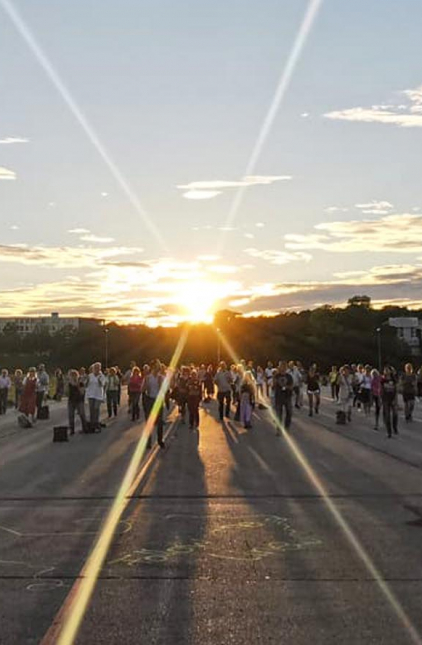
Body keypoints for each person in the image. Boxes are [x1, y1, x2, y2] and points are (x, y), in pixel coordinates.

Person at [142, 359, 165, 448]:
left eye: (158, 367)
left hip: (158, 400)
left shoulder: (161, 377)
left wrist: (160, 384)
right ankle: (148, 442)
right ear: (152, 368)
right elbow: (143, 390)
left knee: (159, 422)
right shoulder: (148, 377)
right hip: (150, 400)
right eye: (155, 367)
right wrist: (146, 384)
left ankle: (160, 440)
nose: (157, 369)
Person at [273, 361, 293, 434]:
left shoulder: (289, 376)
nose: (283, 368)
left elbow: (291, 387)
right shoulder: (276, 376)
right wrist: (275, 378)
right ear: (279, 367)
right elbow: (273, 385)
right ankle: (278, 429)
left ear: (286, 368)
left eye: (284, 367)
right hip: (278, 397)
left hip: (287, 397)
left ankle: (286, 427)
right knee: (279, 414)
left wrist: (285, 386)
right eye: (281, 366)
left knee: (289, 413)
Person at [86, 362, 106, 431]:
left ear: (100, 368)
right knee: (91, 409)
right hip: (91, 394)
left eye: (98, 368)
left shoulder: (102, 376)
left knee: (96, 408)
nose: (96, 369)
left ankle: (96, 422)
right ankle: (92, 423)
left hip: (98, 395)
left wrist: (99, 379)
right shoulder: (90, 375)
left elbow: (101, 385)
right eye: (95, 368)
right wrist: (87, 381)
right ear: (93, 368)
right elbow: (86, 385)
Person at [67, 369, 87, 434]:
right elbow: (67, 391)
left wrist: (78, 385)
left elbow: (82, 392)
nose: (73, 377)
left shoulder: (80, 383)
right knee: (71, 415)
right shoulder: (69, 383)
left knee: (82, 414)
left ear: (77, 376)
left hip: (79, 400)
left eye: (75, 375)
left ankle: (85, 428)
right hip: (71, 400)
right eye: (72, 376)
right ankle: (72, 430)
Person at [381, 366, 398, 438]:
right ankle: (389, 432)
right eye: (385, 370)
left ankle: (394, 427)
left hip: (392, 398)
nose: (386, 371)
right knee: (387, 416)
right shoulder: (382, 380)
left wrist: (396, 400)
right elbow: (380, 389)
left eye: (388, 370)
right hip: (385, 399)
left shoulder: (393, 379)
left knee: (395, 414)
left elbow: (396, 390)